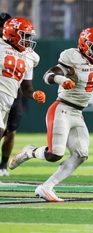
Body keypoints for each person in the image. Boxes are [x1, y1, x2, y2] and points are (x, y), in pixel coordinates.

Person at [9, 27, 93, 202]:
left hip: (78, 113)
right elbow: (49, 75)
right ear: (84, 45)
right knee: (54, 155)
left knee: (81, 154)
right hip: (62, 109)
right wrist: (63, 79)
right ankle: (29, 152)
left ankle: (46, 187)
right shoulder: (73, 58)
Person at [0, 16, 46, 175]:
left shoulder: (29, 56)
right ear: (13, 34)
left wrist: (34, 94)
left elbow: (26, 88)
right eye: (25, 35)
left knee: (4, 131)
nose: (28, 40)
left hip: (8, 100)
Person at [0, 13, 30, 176]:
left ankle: (3, 165)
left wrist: (32, 93)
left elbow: (27, 84)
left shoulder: (26, 52)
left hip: (14, 91)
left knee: (10, 130)